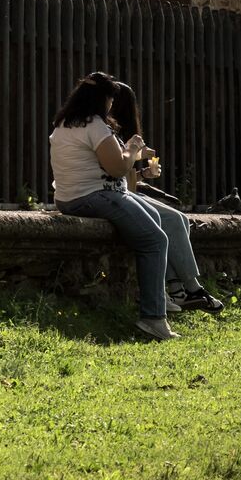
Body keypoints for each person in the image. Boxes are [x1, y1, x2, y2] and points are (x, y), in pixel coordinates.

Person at [49, 72, 178, 341]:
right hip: (93, 196)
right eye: (110, 99)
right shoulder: (95, 125)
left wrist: (131, 156)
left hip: (73, 196)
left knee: (155, 215)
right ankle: (154, 317)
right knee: (155, 240)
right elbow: (118, 167)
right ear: (103, 99)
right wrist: (131, 148)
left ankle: (159, 298)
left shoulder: (64, 123)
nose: (111, 105)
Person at [109, 81, 224, 314]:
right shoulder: (108, 135)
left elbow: (124, 180)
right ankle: (190, 288)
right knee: (170, 220)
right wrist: (135, 163)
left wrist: (142, 173)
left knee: (179, 218)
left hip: (121, 193)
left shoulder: (122, 137)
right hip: (115, 196)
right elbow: (119, 180)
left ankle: (178, 289)